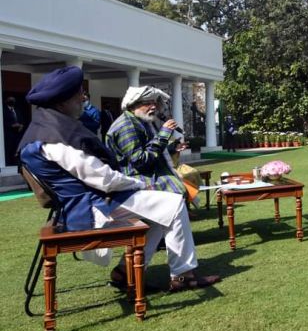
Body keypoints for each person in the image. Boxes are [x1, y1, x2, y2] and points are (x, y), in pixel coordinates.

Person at [17, 66, 219, 292]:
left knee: (161, 213)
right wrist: (139, 183)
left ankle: (125, 272)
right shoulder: (56, 139)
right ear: (62, 100)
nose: (84, 98)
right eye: (79, 94)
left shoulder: (44, 130)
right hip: (88, 208)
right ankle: (183, 276)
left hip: (88, 202)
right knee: (172, 204)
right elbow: (104, 179)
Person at [105, 86, 188, 196]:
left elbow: (150, 148)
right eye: (147, 103)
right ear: (133, 105)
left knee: (182, 185)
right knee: (176, 190)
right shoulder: (126, 126)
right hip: (136, 182)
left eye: (154, 103)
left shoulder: (142, 121)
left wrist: (172, 148)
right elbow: (140, 162)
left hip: (149, 175)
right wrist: (163, 135)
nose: (153, 107)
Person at [3, 96, 25, 165]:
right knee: (9, 150)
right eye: (10, 99)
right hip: (9, 135)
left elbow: (22, 120)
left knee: (17, 150)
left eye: (13, 99)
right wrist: (11, 125)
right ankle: (9, 164)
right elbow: (3, 122)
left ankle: (16, 164)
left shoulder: (17, 110)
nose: (12, 101)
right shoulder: (4, 110)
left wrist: (21, 125)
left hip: (18, 134)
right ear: (6, 101)